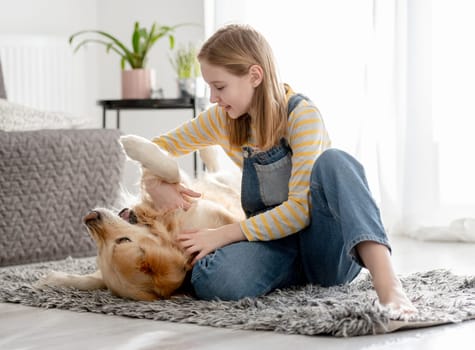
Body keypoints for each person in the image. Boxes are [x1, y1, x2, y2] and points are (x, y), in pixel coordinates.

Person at [147, 24, 416, 314]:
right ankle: (288, 275)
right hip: (274, 245)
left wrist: (222, 235)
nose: (213, 97)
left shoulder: (302, 116)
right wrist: (155, 181)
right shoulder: (221, 119)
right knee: (213, 281)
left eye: (220, 86)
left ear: (254, 76)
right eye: (209, 87)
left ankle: (390, 287)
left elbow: (300, 210)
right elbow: (155, 148)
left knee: (335, 161)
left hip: (324, 246)